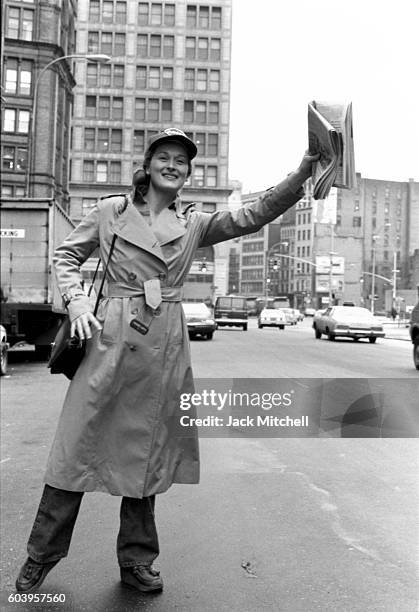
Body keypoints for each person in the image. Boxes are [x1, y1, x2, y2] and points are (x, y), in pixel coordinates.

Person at [16, 128, 319, 594]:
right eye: (165, 157)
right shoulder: (111, 211)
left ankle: (136, 560)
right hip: (109, 341)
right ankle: (41, 556)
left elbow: (254, 215)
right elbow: (66, 256)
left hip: (163, 348)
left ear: (188, 173)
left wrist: (301, 172)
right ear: (149, 163)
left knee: (147, 454)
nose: (174, 165)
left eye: (183, 160)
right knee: (74, 450)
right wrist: (76, 302)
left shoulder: (194, 223)